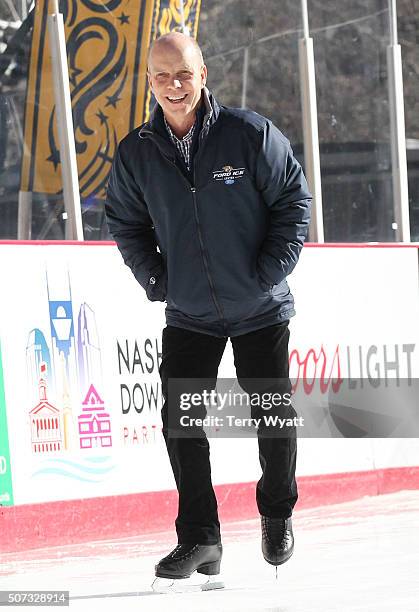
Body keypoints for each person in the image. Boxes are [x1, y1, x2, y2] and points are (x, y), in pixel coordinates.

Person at [105, 31, 312, 582]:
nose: (174, 86)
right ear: (149, 82)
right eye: (162, 76)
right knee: (182, 420)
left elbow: (294, 201)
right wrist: (157, 280)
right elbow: (124, 221)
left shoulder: (248, 134)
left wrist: (266, 273)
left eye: (183, 74)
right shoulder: (137, 153)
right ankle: (201, 538)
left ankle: (276, 512)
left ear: (203, 74)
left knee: (272, 412)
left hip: (259, 308)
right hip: (190, 312)